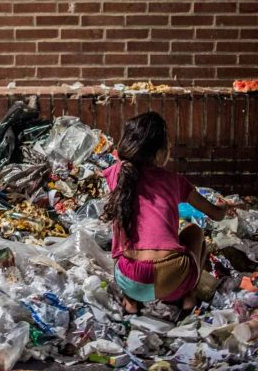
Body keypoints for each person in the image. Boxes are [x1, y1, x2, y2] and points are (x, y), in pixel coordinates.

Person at [100, 112, 237, 314]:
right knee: (194, 232)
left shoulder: (118, 175)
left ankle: (131, 302)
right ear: (161, 149)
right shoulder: (175, 181)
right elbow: (216, 215)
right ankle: (188, 297)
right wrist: (225, 207)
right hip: (173, 278)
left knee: (124, 247)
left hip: (130, 280)